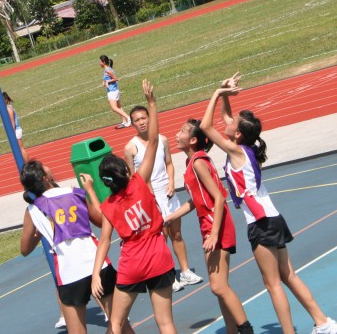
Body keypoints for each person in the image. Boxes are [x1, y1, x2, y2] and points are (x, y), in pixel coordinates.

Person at [199, 72, 337, 334]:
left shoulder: (235, 150)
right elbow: (226, 119)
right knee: (288, 275)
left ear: (239, 134)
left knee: (273, 283)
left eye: (234, 124)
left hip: (260, 222)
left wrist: (217, 94)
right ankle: (323, 321)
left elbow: (207, 127)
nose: (228, 123)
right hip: (273, 217)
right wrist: (226, 94)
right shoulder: (247, 148)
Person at [91, 80, 177, 334]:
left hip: (133, 263)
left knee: (116, 323)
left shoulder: (109, 206)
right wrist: (152, 102)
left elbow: (104, 241)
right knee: (166, 322)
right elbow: (152, 143)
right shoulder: (140, 182)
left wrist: (96, 274)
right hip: (159, 256)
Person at [20, 160, 132, 334]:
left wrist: (42, 230)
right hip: (97, 263)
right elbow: (100, 220)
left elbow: (25, 249)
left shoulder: (33, 210)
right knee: (120, 324)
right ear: (45, 177)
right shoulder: (74, 193)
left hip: (70, 272)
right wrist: (89, 190)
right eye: (45, 166)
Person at [164, 118, 253, 334]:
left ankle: (246, 329)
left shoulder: (198, 163)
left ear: (193, 140)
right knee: (219, 287)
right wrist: (169, 217)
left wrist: (213, 234)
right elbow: (196, 200)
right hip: (210, 224)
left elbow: (219, 198)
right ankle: (232, 330)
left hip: (216, 224)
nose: (177, 134)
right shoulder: (193, 162)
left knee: (218, 286)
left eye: (182, 131)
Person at [124, 105, 203, 292]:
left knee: (176, 233)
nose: (142, 122)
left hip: (168, 194)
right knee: (161, 238)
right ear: (133, 123)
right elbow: (133, 177)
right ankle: (168, 276)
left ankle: (184, 271)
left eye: (144, 118)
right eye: (137, 120)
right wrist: (148, 193)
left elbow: (169, 164)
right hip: (151, 198)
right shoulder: (130, 148)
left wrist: (171, 183)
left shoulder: (163, 140)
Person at [99, 55, 131, 129]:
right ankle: (124, 121)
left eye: (100, 61)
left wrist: (108, 82)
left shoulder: (107, 70)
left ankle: (128, 118)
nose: (99, 63)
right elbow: (108, 78)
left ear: (103, 62)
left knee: (114, 108)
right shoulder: (107, 69)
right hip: (113, 90)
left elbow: (116, 78)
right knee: (119, 107)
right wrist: (104, 82)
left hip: (112, 91)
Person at [2, 91, 29, 163]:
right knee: (19, 149)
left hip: (16, 130)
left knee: (21, 149)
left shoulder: (9, 108)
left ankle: (27, 164)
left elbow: (12, 122)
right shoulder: (7, 108)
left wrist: (12, 133)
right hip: (15, 130)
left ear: (6, 100)